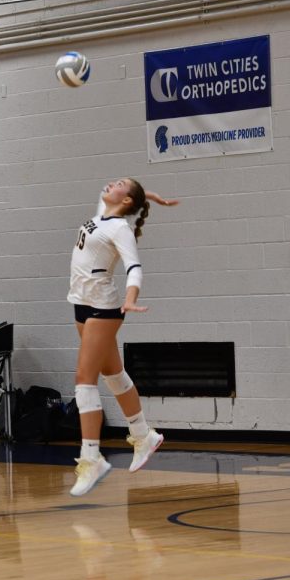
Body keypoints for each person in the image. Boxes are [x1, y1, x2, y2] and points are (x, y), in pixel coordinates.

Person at [67, 178, 178, 496]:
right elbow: (123, 199)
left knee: (84, 379)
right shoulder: (103, 212)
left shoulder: (120, 229)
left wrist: (130, 297)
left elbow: (134, 268)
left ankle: (92, 458)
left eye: (119, 184)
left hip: (103, 307)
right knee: (112, 373)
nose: (110, 183)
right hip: (80, 303)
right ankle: (144, 435)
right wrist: (150, 197)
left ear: (126, 201)